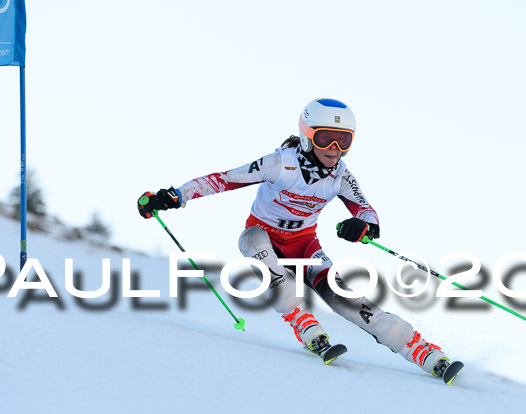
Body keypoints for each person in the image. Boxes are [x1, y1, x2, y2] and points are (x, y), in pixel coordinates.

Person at [138, 98, 454, 378]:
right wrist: (175, 196)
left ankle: (422, 351)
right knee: (258, 247)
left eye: (344, 141)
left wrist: (364, 228)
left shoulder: (341, 177)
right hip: (261, 236)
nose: (335, 149)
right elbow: (224, 180)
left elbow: (366, 210)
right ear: (306, 136)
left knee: (348, 301)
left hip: (305, 246)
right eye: (326, 138)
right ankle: (304, 324)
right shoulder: (281, 163)